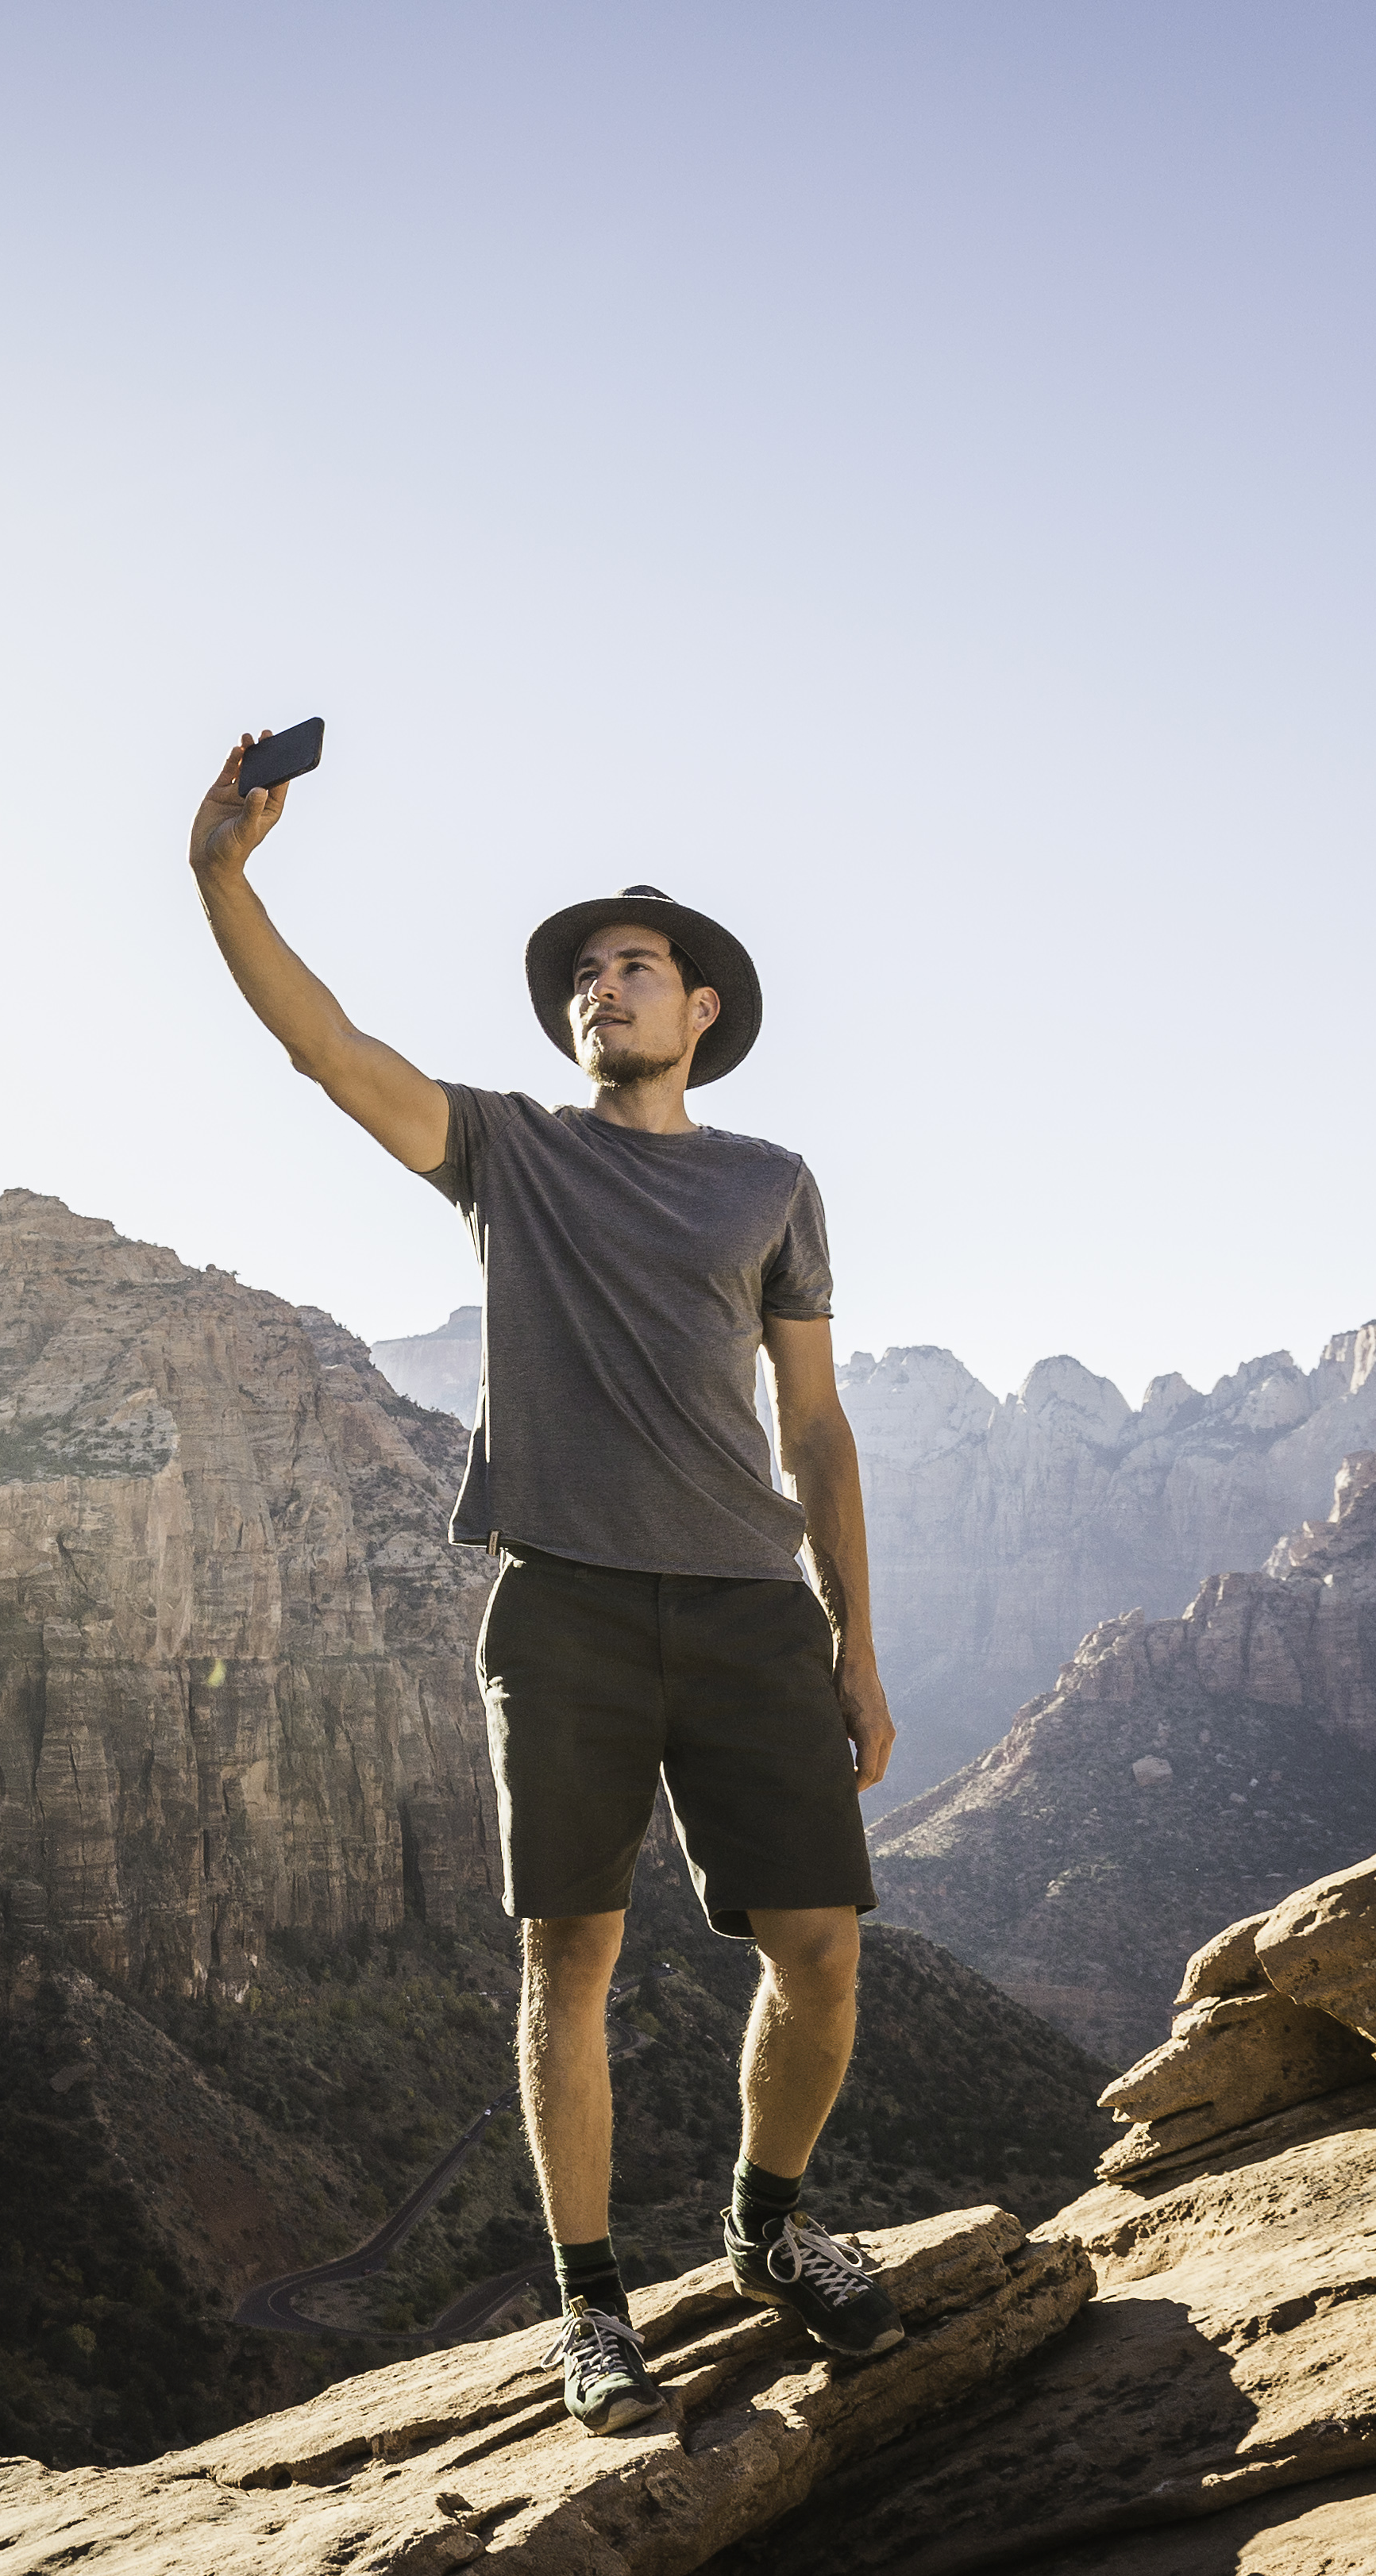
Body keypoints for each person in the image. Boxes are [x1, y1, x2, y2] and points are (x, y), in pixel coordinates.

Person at [187, 730, 905, 2437]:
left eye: (632, 969)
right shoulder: (506, 1150)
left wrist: (856, 1647)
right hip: (565, 1605)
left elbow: (815, 1424)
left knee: (819, 1954)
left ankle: (762, 2227)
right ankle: (590, 2310)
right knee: (563, 1962)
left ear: (698, 1010)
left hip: (745, 1604)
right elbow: (324, 1050)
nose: (602, 989)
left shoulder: (771, 1183)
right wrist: (222, 874)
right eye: (584, 974)